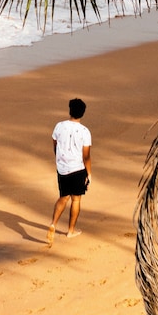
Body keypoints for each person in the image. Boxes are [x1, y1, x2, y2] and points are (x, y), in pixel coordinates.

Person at [47, 97, 91, 245]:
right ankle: (70, 231)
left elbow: (55, 144)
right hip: (77, 168)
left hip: (62, 168)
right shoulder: (85, 131)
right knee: (76, 199)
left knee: (63, 197)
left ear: (70, 110)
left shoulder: (59, 126)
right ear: (82, 113)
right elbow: (86, 156)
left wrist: (59, 159)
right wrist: (89, 173)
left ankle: (53, 223)